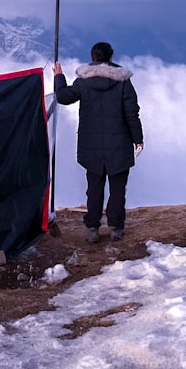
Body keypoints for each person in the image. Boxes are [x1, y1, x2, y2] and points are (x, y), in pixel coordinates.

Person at [53, 41, 143, 243]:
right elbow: (132, 113)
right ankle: (116, 228)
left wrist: (58, 76)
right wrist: (138, 139)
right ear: (111, 57)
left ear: (93, 57)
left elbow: (63, 97)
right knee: (118, 189)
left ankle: (92, 229)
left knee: (94, 187)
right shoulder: (123, 82)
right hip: (119, 145)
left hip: (90, 145)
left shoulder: (83, 81)